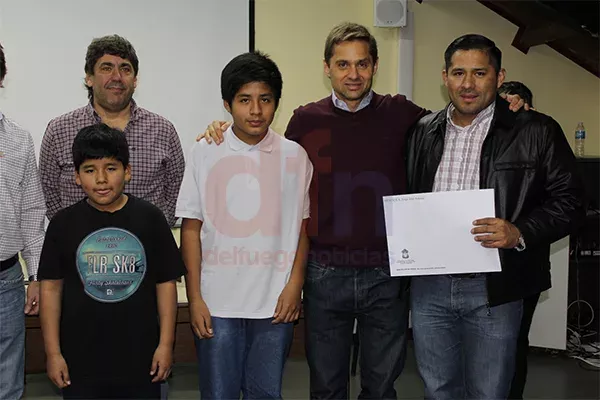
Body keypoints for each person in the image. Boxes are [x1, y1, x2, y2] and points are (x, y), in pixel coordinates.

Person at [198, 23, 528, 400]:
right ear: (327, 68)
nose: (353, 74)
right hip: (325, 273)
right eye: (342, 64)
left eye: (362, 64)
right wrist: (221, 131)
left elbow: (459, 117)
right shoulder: (305, 120)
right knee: (325, 385)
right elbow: (264, 154)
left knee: (382, 384)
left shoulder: (404, 114)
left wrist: (505, 106)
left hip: (386, 273)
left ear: (375, 66)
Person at [405, 34, 585, 400]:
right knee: (438, 390)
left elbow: (572, 201)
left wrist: (519, 231)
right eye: (458, 73)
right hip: (430, 288)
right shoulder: (424, 131)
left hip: (495, 286)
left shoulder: (536, 130)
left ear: (499, 77)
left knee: (490, 392)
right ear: (445, 77)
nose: (467, 84)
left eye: (479, 73)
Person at [177, 51, 312, 399]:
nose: (255, 110)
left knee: (266, 393)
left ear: (276, 103)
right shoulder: (204, 152)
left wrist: (294, 286)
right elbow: (191, 230)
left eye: (265, 100)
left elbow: (301, 228)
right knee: (218, 394)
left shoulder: (295, 156)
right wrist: (195, 299)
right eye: (244, 100)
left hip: (274, 303)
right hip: (217, 302)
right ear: (227, 103)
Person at [38, 123, 185, 399]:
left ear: (128, 171)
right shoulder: (62, 225)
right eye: (90, 170)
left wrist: (166, 345)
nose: (102, 179)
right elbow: (51, 289)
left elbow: (165, 284)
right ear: (76, 177)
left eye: (111, 168)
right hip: (80, 361)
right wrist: (53, 352)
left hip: (140, 357)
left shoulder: (151, 219)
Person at [39, 34, 185, 225]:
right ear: (89, 78)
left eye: (125, 69)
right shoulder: (59, 130)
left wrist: (151, 231)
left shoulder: (163, 130)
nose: (117, 77)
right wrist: (74, 232)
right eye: (106, 68)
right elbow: (48, 194)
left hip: (145, 247)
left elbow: (177, 193)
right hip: (80, 247)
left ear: (135, 80)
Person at [0, 41, 46, 400]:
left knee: (8, 382)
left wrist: (36, 276)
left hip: (6, 281)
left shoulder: (18, 139)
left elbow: (32, 212)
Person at [499, 80, 540, 400]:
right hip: (484, 267)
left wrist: (519, 233)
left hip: (523, 265)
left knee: (515, 343)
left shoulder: (540, 139)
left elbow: (563, 203)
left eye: (514, 105)